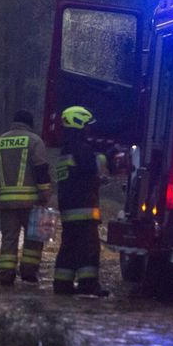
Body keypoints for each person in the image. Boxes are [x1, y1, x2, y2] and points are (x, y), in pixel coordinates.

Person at [0, 110, 53, 286]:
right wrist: (45, 194)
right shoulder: (35, 141)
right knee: (34, 239)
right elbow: (41, 170)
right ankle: (28, 273)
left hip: (6, 204)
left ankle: (6, 274)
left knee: (9, 239)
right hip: (32, 203)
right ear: (30, 124)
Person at [53, 106, 110, 297]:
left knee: (68, 247)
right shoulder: (82, 149)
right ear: (78, 123)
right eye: (87, 126)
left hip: (68, 208)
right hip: (83, 208)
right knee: (89, 248)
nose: (89, 130)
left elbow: (76, 176)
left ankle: (62, 284)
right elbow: (91, 171)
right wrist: (105, 156)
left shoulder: (66, 149)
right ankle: (88, 285)